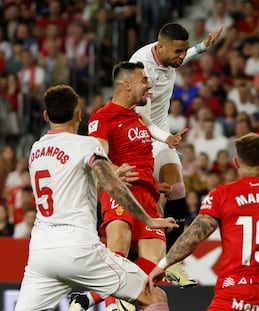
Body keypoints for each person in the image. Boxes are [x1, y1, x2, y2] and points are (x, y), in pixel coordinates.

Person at [14, 84, 178, 311]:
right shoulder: (86, 144)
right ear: (79, 114)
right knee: (156, 296)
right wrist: (149, 220)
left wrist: (109, 174)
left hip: (41, 254)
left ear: (45, 116)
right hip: (79, 248)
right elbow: (111, 185)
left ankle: (88, 299)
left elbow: (69, 182)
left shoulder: (35, 149)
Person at [145, 133, 259, 310]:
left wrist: (163, 265)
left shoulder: (222, 196)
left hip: (233, 297)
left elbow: (192, 238)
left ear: (236, 163)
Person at [71, 61, 187, 311]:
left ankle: (87, 298)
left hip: (149, 199)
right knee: (119, 255)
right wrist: (114, 171)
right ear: (127, 85)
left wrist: (156, 184)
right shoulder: (103, 117)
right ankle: (107, 304)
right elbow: (98, 155)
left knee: (151, 274)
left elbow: (140, 157)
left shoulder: (139, 119)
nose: (149, 85)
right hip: (120, 194)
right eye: (144, 80)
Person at [129, 22, 222, 282]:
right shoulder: (141, 68)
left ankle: (170, 260)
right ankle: (129, 267)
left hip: (160, 136)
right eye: (178, 51)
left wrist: (201, 48)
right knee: (138, 203)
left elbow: (184, 56)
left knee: (178, 189)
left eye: (184, 50)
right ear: (160, 47)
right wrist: (167, 138)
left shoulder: (170, 58)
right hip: (137, 140)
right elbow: (142, 121)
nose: (182, 56)